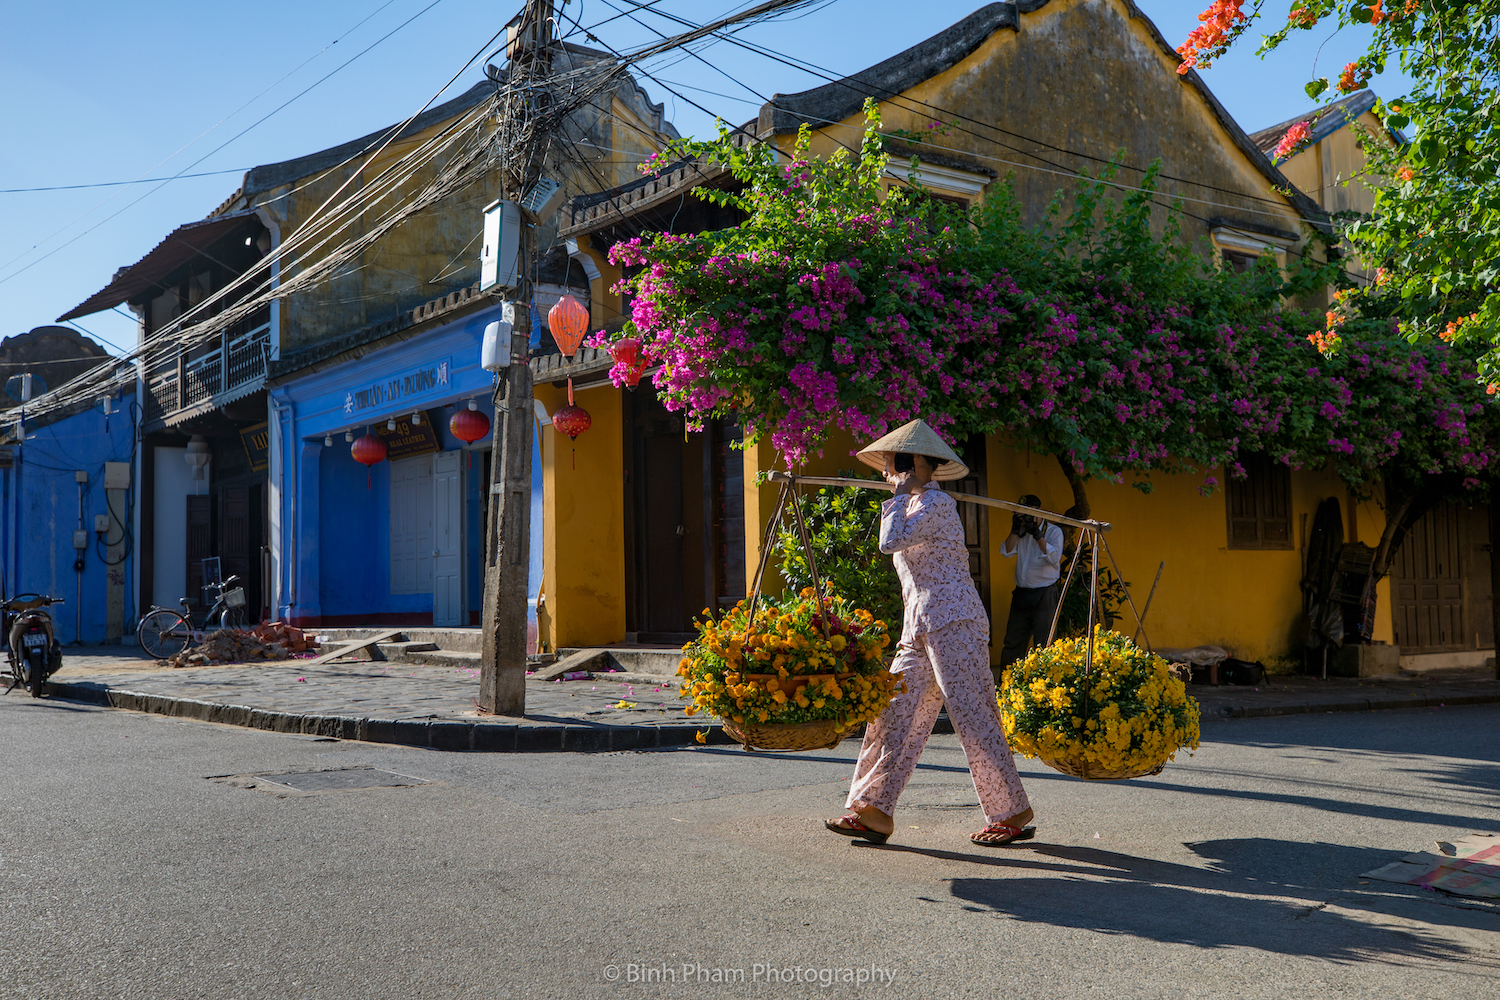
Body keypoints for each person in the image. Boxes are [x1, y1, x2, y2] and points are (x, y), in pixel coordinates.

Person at [825, 419, 1034, 848]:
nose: (888, 472)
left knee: (972, 713)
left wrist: (900, 495)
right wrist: (902, 497)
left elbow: (889, 542)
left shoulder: (935, 503)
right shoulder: (914, 504)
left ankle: (1011, 811)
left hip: (954, 620)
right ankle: (873, 809)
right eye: (889, 466)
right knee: (893, 711)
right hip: (919, 624)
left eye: (894, 464)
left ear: (917, 463)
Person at [997, 494, 1064, 676]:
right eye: (1020, 513)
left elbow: (1054, 559)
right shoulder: (1021, 531)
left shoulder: (1054, 532)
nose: (1024, 516)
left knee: (1045, 643)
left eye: (1027, 512)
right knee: (1013, 641)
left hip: (1045, 594)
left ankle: (1046, 684)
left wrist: (1037, 534)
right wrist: (1014, 530)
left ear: (1038, 511)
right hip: (1021, 594)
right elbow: (1006, 551)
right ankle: (1007, 683)